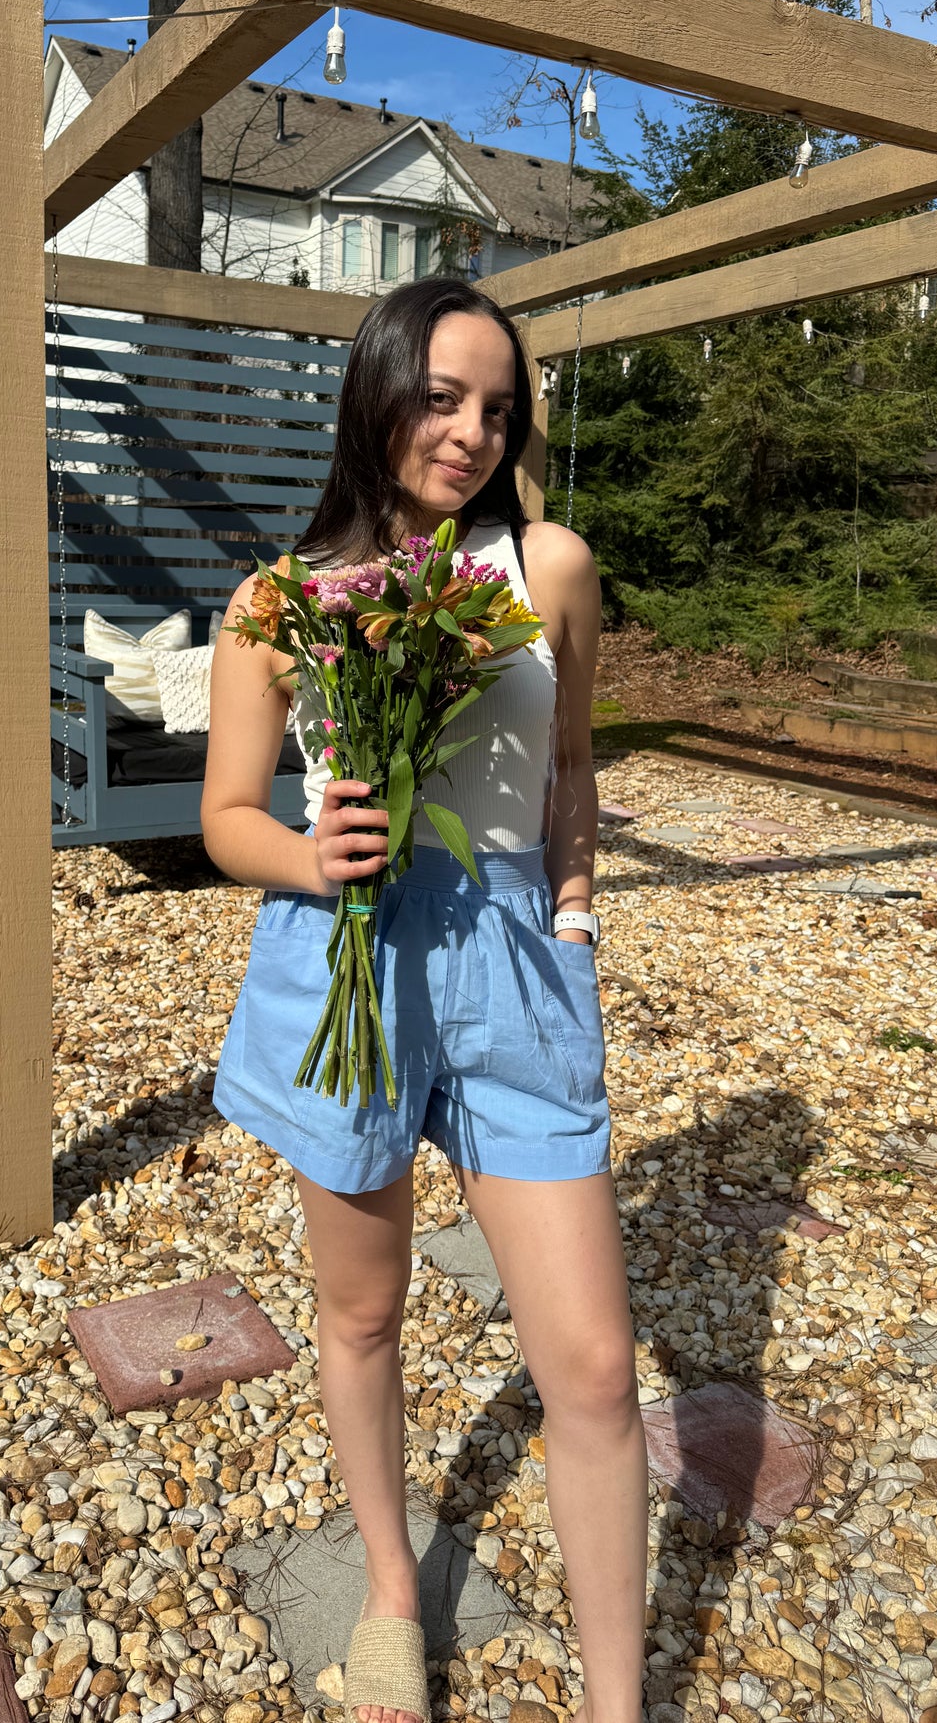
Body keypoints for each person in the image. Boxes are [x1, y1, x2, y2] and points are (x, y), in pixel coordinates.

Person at [202, 277, 647, 1723]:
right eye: (442, 397)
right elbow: (223, 816)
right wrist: (309, 855)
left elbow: (570, 766)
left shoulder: (550, 567)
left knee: (588, 1364)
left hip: (516, 964)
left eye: (496, 409)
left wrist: (572, 920)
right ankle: (396, 1591)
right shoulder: (279, 598)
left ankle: (615, 1704)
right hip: (350, 961)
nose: (468, 433)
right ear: (377, 391)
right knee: (365, 1317)